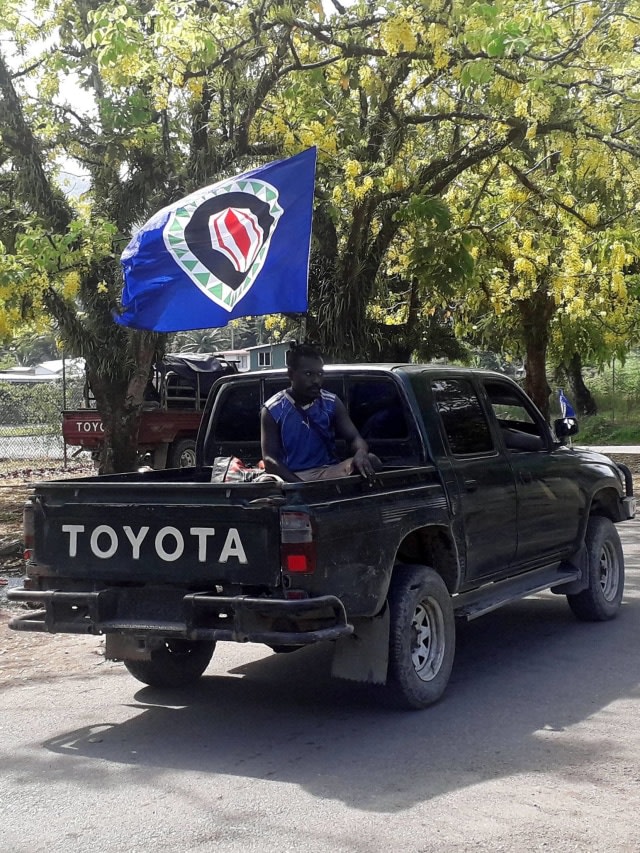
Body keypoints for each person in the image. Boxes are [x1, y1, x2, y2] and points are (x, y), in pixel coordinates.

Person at [260, 344, 381, 482]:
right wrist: (300, 487)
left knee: (371, 460)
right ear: (291, 374)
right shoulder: (272, 409)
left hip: (328, 472)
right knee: (267, 483)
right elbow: (270, 460)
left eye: (320, 374)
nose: (316, 380)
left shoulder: (331, 402)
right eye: (308, 374)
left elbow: (354, 438)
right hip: (291, 477)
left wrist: (361, 453)